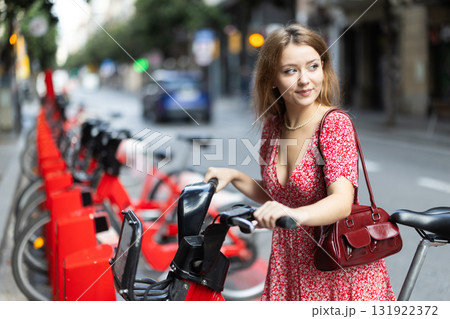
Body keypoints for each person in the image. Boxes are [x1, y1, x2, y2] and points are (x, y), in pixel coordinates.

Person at [203, 23, 396, 301]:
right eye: (291, 70)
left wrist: (296, 215)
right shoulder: (272, 126)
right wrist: (233, 175)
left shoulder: (334, 124)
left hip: (334, 272)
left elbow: (342, 202)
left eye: (313, 66)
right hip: (288, 268)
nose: (305, 79)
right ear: (272, 78)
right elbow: (279, 196)